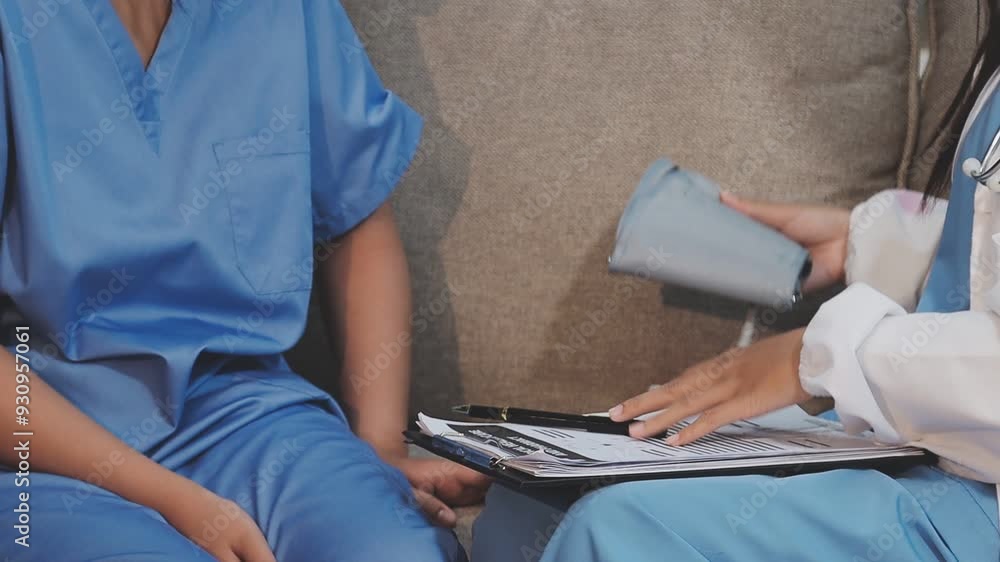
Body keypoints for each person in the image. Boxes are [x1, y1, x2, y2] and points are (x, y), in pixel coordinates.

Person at [474, 9, 1000, 562]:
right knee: (532, 501)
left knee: (621, 528)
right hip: (930, 439)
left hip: (972, 495)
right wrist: (868, 241)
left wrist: (821, 355)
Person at [0, 1, 487, 561]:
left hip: (250, 418)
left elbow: (353, 212)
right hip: (41, 448)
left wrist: (378, 443)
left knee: (398, 551)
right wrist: (177, 501)